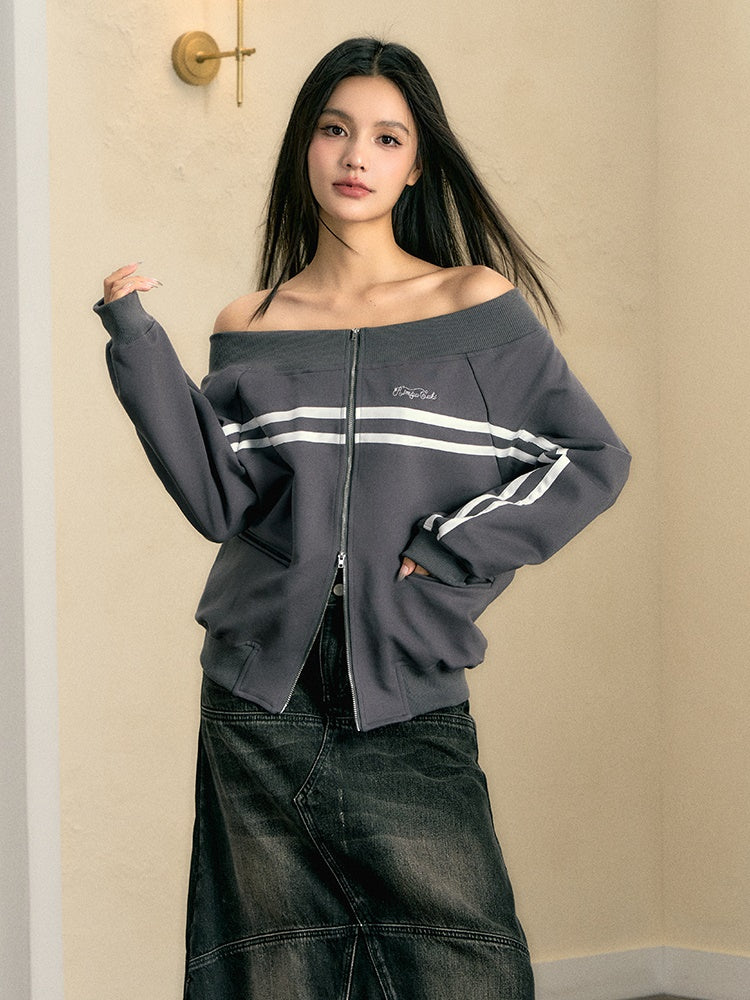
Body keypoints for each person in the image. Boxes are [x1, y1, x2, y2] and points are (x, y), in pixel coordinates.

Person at [96, 37, 630, 1000]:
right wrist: (137, 345)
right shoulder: (252, 323)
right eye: (335, 130)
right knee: (270, 969)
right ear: (305, 145)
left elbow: (587, 457)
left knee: (464, 965)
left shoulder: (472, 305)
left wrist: (453, 548)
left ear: (416, 164)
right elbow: (221, 501)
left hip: (405, 683)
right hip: (259, 692)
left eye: (386, 138)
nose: (355, 156)